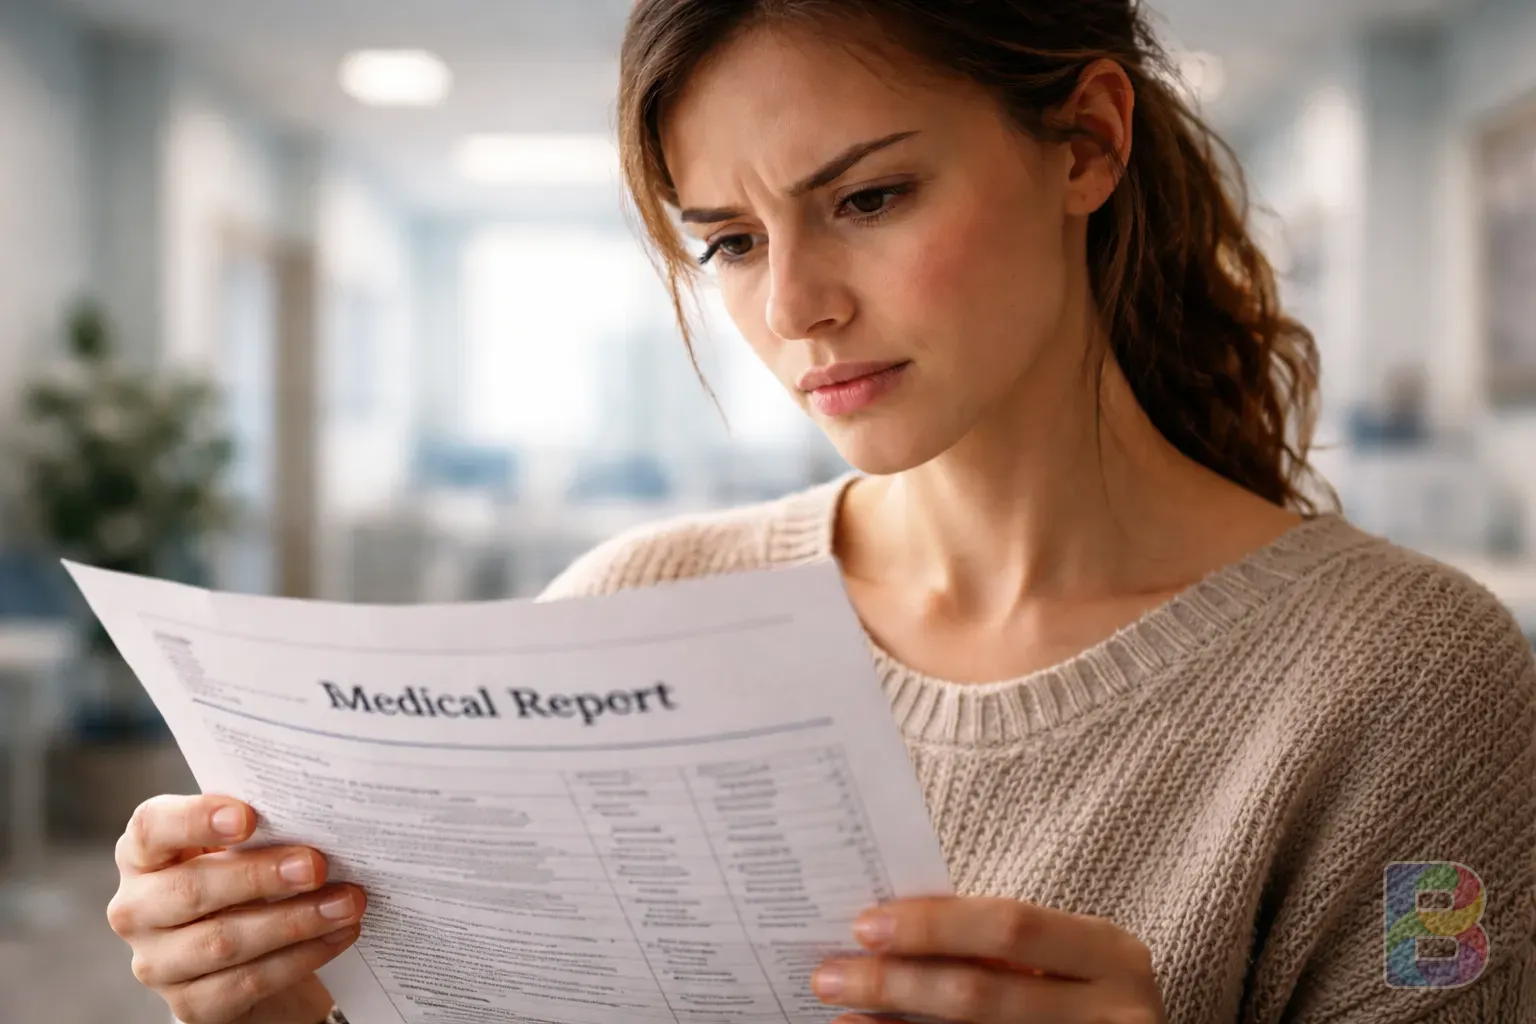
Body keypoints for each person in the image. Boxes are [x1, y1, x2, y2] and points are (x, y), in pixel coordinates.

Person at [106, 2, 1536, 1022]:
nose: (792, 308)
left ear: (1087, 143)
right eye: (729, 240)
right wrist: (275, 1003)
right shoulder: (626, 611)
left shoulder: (1416, 681)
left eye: (869, 196)